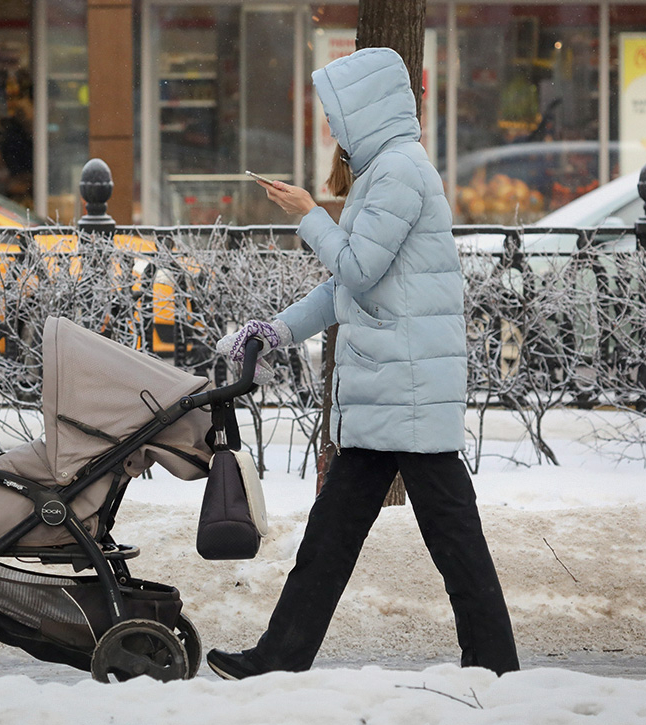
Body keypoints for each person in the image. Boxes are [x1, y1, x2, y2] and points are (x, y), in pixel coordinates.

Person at [206, 47, 520, 680]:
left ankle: (496, 667)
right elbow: (347, 289)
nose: (330, 128)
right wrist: (275, 331)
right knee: (334, 541)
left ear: (365, 111)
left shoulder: (400, 171)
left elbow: (356, 268)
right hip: (390, 393)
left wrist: (309, 216)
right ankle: (280, 658)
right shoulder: (386, 172)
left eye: (335, 113)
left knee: (451, 541)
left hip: (402, 390)